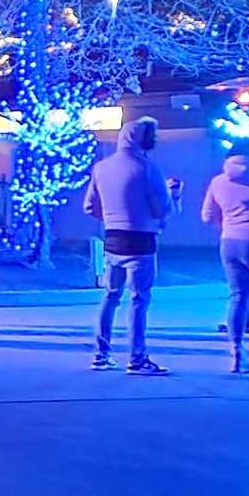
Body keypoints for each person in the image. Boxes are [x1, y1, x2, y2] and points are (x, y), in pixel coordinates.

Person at [84, 117, 182, 375]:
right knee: (139, 300)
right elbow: (162, 210)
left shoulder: (102, 167)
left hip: (113, 241)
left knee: (110, 296)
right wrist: (174, 195)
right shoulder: (148, 168)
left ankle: (101, 354)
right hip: (141, 243)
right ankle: (137, 358)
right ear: (143, 139)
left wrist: (115, 218)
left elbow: (90, 207)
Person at [201, 151, 249, 374]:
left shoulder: (218, 181)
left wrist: (229, 224)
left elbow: (207, 216)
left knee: (238, 297)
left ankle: (237, 355)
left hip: (229, 242)